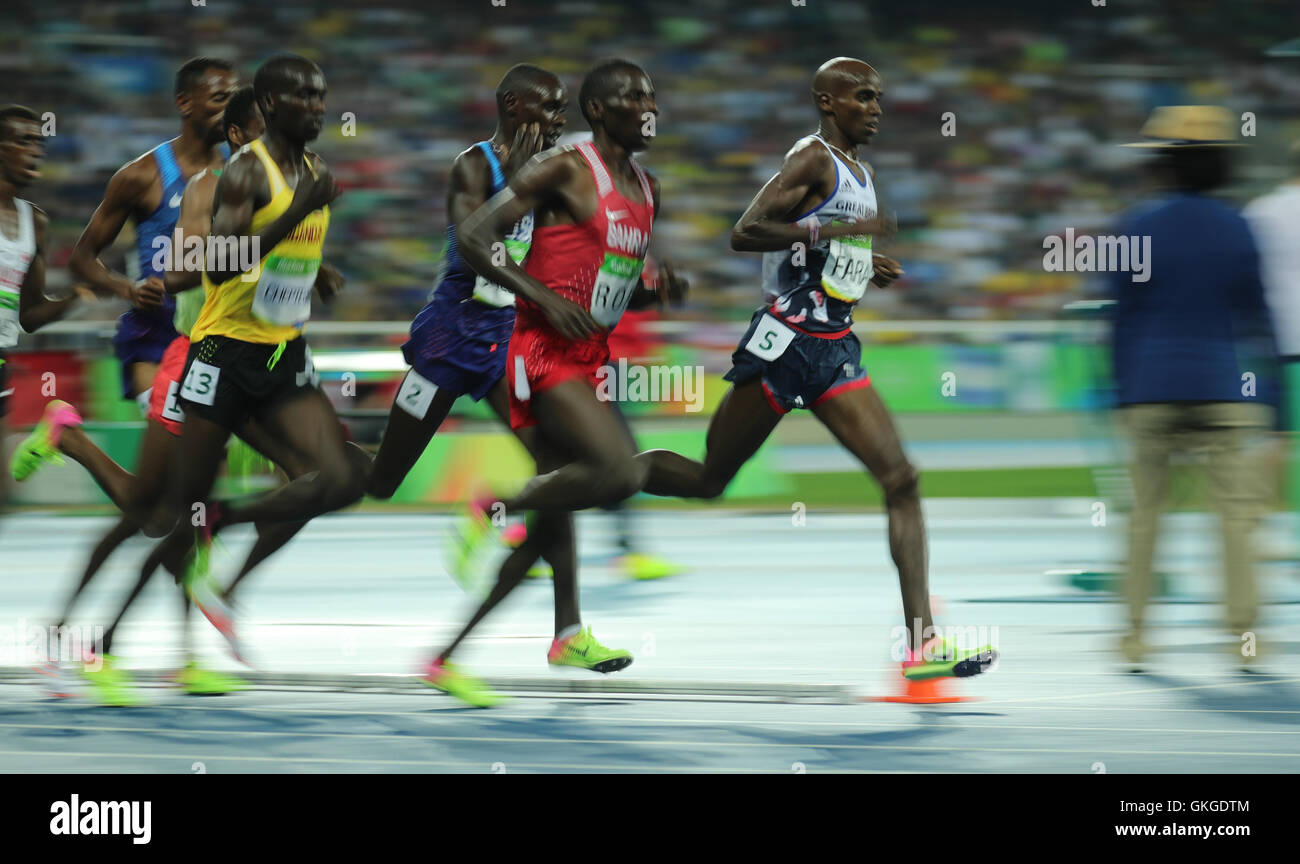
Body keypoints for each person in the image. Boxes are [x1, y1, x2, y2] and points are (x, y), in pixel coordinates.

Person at [637, 57, 995, 680]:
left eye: (879, 96)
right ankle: (596, 475)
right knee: (707, 480)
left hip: (832, 346)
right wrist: (844, 234)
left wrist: (866, 260)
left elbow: (828, 245)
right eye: (862, 96)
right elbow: (746, 232)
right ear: (827, 102)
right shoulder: (813, 158)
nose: (876, 107)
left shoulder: (861, 170)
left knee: (901, 479)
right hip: (786, 344)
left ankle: (922, 644)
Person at [428, 59, 687, 706]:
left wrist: (652, 294)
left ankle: (474, 651)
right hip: (540, 352)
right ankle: (494, 505)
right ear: (598, 110)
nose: (648, 105)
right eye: (633, 96)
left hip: (589, 356)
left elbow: (607, 290)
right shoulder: (567, 167)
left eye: (652, 94)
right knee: (619, 471)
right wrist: (539, 294)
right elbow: (474, 235)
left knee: (554, 523)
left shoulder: (649, 188)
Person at [149, 55, 365, 605]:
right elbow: (219, 264)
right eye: (304, 97)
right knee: (166, 511)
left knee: (338, 481)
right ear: (271, 105)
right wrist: (297, 214)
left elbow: (285, 254)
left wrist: (316, 270)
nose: (318, 107)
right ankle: (102, 637)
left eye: (321, 95)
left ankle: (226, 537)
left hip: (282, 353)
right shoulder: (246, 170)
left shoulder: (316, 169)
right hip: (223, 354)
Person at [1111, 105, 1277, 670]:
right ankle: (1244, 640)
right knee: (1234, 516)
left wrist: (1120, 392)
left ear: (1162, 164)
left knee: (1146, 516)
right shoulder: (1239, 226)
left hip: (1152, 390)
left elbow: (1121, 319)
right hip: (1225, 389)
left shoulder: (1134, 225)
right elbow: (1259, 317)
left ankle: (1135, 638)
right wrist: (1274, 402)